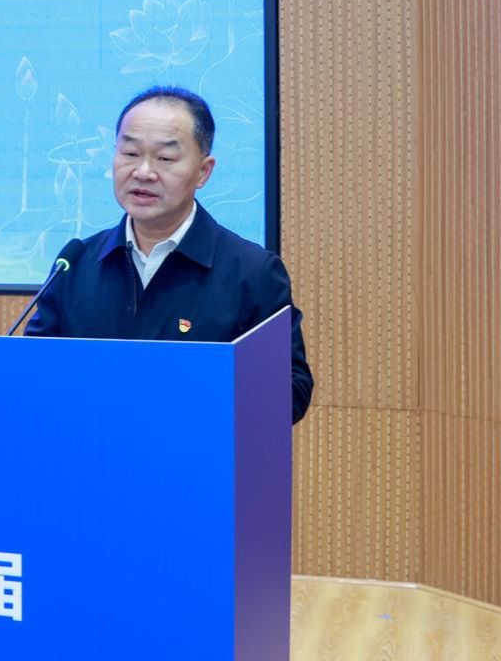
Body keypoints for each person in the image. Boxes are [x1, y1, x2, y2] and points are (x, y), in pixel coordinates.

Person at [25, 86, 313, 423]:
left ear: (203, 171)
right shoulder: (76, 264)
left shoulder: (252, 272)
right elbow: (30, 372)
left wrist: (194, 395)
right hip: (89, 448)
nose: (143, 172)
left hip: (197, 450)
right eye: (130, 153)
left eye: (165, 158)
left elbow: (291, 390)